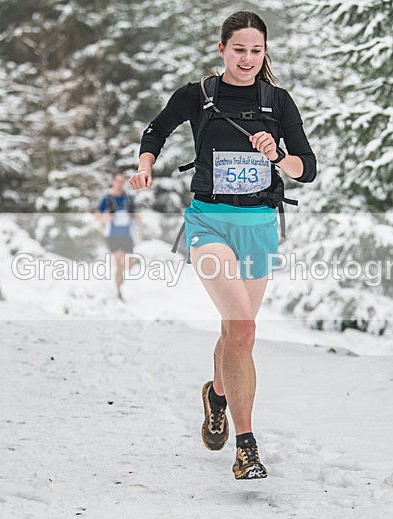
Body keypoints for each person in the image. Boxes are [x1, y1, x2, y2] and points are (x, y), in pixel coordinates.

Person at [130, 11, 316, 479]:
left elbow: (306, 167)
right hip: (209, 223)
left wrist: (279, 156)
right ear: (221, 49)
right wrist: (147, 165)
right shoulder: (199, 95)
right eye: (239, 50)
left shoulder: (278, 101)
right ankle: (247, 446)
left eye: (256, 50)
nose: (248, 59)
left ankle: (216, 395)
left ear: (265, 52)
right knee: (242, 327)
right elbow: (156, 129)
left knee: (237, 333)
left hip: (258, 225)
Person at [95, 171, 139, 301]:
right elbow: (97, 215)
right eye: (117, 181)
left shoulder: (129, 198)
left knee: (130, 264)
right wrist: (104, 219)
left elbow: (135, 213)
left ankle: (120, 277)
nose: (119, 184)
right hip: (113, 235)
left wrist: (138, 217)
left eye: (122, 182)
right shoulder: (107, 199)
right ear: (113, 182)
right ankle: (118, 291)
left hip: (127, 235)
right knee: (119, 263)